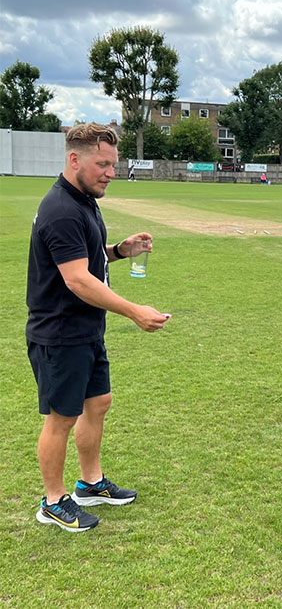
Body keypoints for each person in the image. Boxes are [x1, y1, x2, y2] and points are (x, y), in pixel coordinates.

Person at [27, 123, 169, 532]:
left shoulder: (85, 200)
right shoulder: (61, 209)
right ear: (75, 160)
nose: (111, 172)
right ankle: (53, 502)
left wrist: (119, 251)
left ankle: (90, 483)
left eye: (113, 164)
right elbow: (77, 279)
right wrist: (134, 311)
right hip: (59, 333)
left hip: (86, 329)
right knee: (61, 417)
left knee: (98, 403)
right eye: (103, 164)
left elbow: (88, 259)